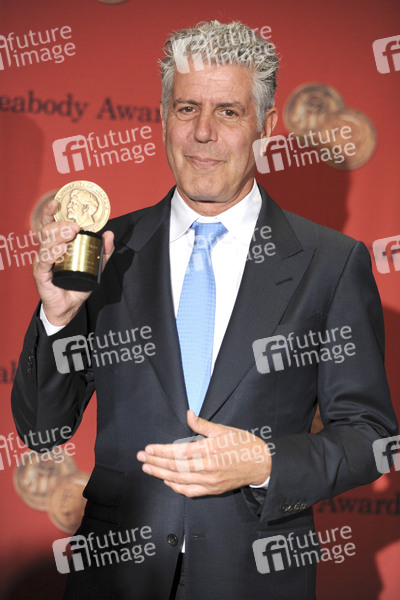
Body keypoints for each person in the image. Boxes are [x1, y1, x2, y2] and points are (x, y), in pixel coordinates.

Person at [11, 20, 397, 600]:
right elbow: (43, 430)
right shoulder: (108, 249)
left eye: (229, 112)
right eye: (187, 108)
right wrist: (58, 318)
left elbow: (370, 436)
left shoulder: (332, 262)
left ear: (265, 125)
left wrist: (266, 461)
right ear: (163, 115)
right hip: (116, 577)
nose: (202, 133)